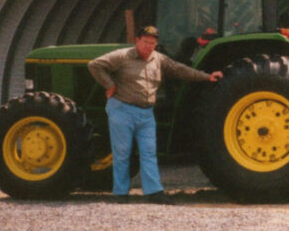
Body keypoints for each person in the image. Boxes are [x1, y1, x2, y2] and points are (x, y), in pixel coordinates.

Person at [88, 25, 222, 205]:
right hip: (122, 109)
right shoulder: (122, 56)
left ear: (156, 43)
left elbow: (180, 69)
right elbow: (94, 65)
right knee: (122, 152)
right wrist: (109, 85)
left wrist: (206, 77)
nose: (148, 46)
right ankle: (120, 194)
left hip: (146, 113)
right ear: (137, 41)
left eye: (152, 43)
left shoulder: (159, 59)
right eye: (145, 42)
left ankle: (153, 192)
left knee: (149, 152)